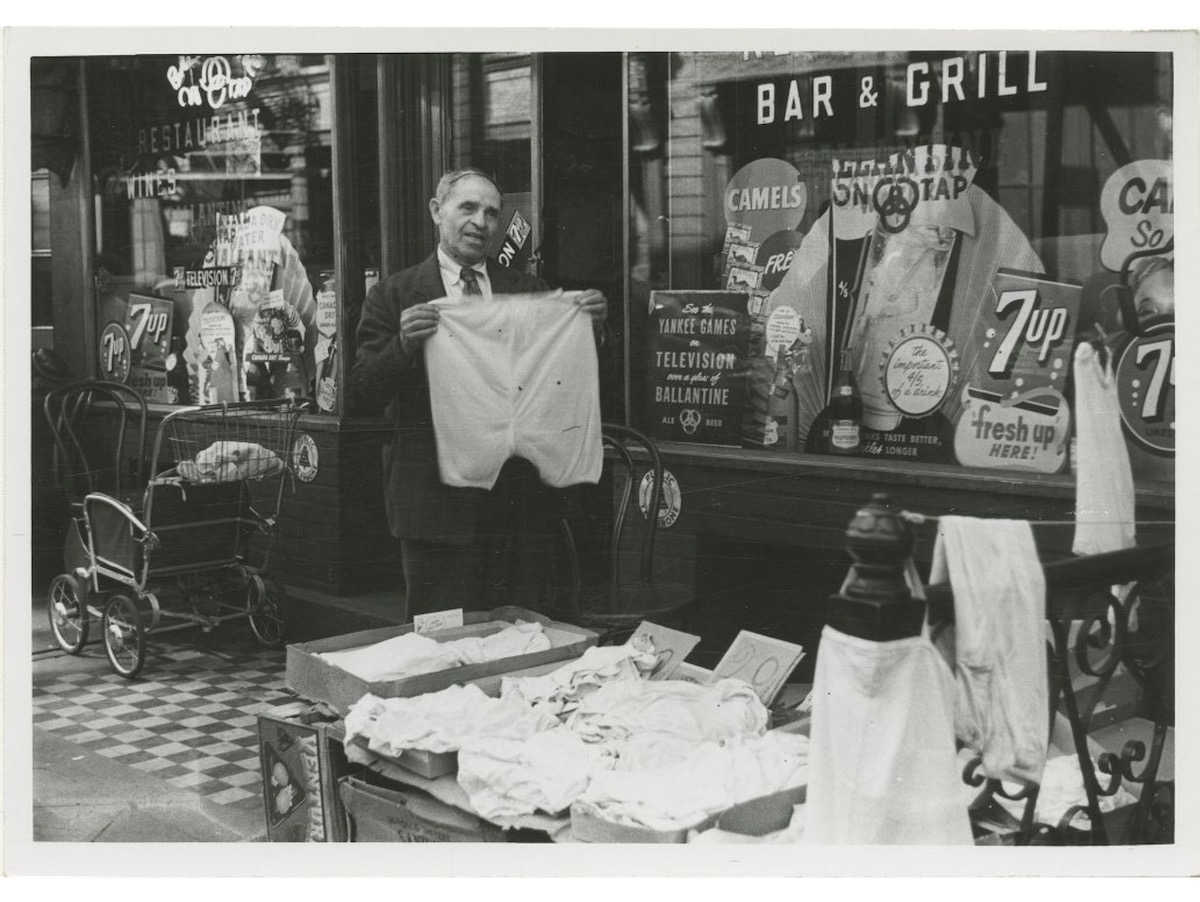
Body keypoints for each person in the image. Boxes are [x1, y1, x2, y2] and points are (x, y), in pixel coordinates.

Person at [349, 168, 608, 618]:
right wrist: (402, 346)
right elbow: (361, 394)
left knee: (523, 637)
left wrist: (590, 329)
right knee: (442, 643)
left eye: (491, 212)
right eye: (467, 207)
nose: (481, 222)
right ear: (437, 211)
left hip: (518, 507)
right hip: (435, 508)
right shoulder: (393, 295)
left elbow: (561, 381)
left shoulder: (528, 291)